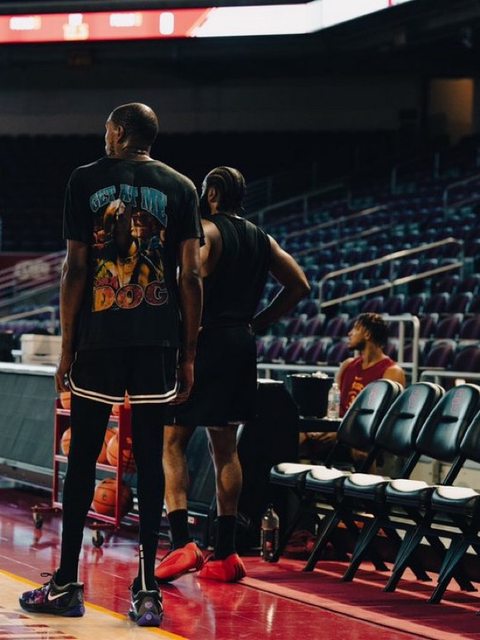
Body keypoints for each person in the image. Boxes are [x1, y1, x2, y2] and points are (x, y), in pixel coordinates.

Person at [19, 103, 203, 627]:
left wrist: (66, 347)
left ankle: (66, 583)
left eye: (107, 130)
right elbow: (191, 277)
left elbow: (74, 269)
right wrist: (189, 352)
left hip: (99, 339)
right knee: (150, 462)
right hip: (156, 341)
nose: (104, 137)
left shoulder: (84, 180)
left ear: (120, 132)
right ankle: (146, 592)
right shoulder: (181, 187)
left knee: (82, 461)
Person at [154, 166, 310, 584]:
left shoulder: (208, 230)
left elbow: (192, 277)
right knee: (225, 447)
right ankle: (225, 553)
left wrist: (185, 339)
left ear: (214, 194)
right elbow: (299, 285)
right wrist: (258, 323)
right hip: (241, 343)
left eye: (206, 192)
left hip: (204, 339)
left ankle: (182, 542)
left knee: (172, 441)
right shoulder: (263, 238)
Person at [299, 312, 406, 463]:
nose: (349, 333)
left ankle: (367, 479)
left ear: (367, 334)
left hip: (362, 437)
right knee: (295, 435)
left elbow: (382, 420)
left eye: (355, 329)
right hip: (337, 429)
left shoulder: (392, 371)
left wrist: (342, 434)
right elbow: (333, 405)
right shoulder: (347, 365)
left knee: (360, 452)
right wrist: (321, 429)